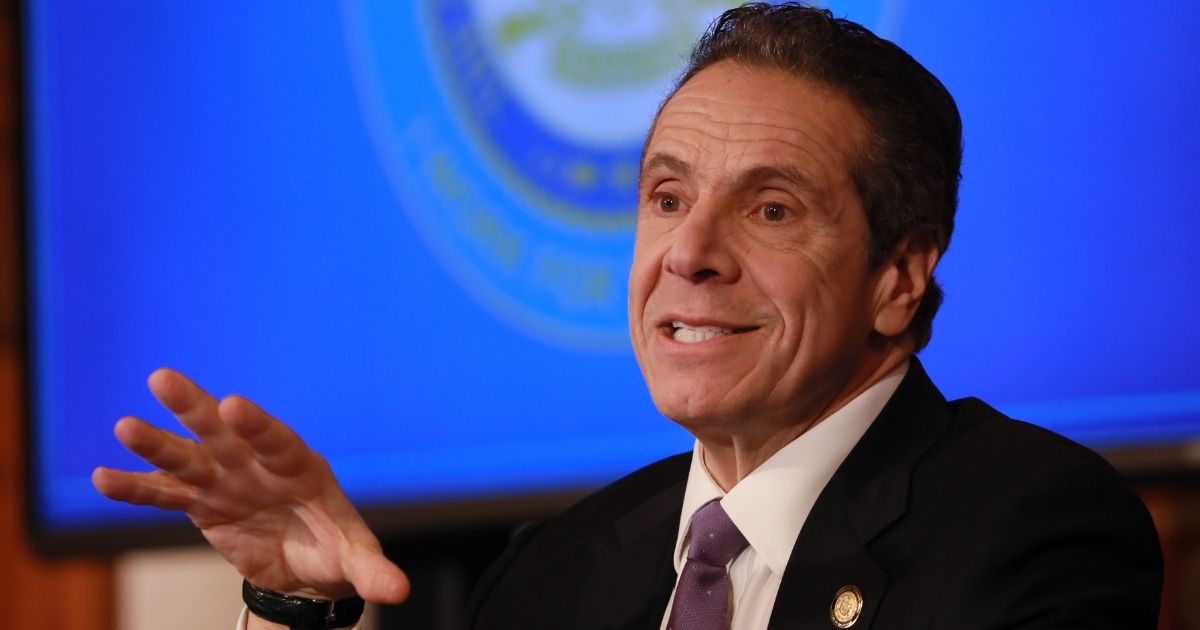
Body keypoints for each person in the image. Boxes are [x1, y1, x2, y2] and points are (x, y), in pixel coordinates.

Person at [93, 4, 1162, 629]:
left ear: (898, 279)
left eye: (772, 208)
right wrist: (293, 612)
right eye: (665, 198)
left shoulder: (1032, 530)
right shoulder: (558, 571)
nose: (688, 254)